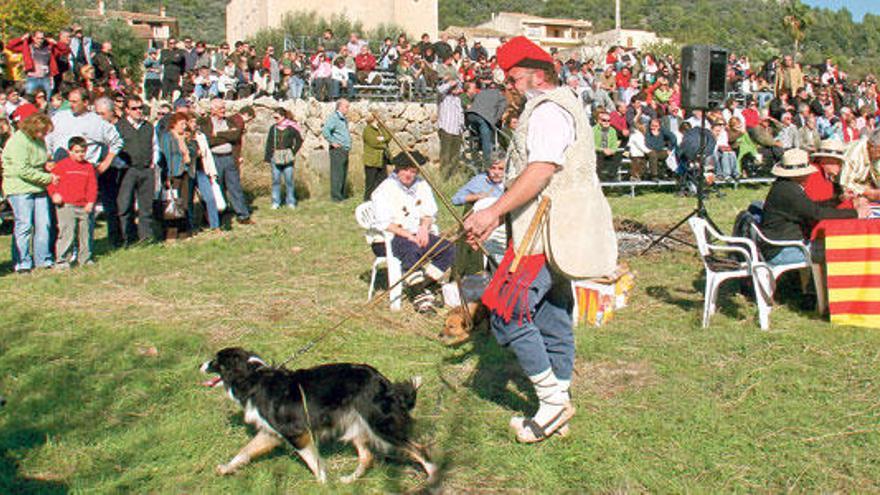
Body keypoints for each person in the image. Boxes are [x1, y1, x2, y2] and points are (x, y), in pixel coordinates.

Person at [463, 37, 616, 443]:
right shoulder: (558, 104)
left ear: (538, 74)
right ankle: (559, 402)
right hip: (554, 230)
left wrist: (493, 212)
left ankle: (551, 405)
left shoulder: (548, 110)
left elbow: (541, 172)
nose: (509, 86)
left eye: (513, 78)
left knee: (506, 312)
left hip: (544, 234)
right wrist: (493, 211)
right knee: (552, 315)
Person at [370, 151, 455, 312]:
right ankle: (420, 299)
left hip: (417, 234)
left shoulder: (421, 185)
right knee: (412, 249)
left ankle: (423, 285)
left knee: (448, 249)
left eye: (413, 171)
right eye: (406, 170)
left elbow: (428, 213)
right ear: (397, 169)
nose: (409, 174)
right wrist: (409, 235)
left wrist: (424, 228)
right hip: (389, 238)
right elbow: (385, 223)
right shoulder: (384, 190)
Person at [761, 149, 868, 266]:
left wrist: (839, 199)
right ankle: (829, 283)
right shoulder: (789, 191)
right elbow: (817, 214)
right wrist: (855, 213)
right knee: (840, 251)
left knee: (833, 246)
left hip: (779, 246)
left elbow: (812, 208)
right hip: (782, 251)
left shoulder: (784, 186)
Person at [46, 88, 124, 247]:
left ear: (86, 103)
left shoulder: (96, 122)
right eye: (69, 101)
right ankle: (61, 250)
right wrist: (48, 158)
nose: (71, 105)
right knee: (60, 214)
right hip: (61, 170)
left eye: (75, 102)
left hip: (84, 172)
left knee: (83, 215)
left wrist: (105, 163)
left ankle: (83, 250)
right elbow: (48, 139)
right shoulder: (59, 117)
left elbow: (117, 142)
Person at [199, 98, 253, 225]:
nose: (223, 110)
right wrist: (226, 136)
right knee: (217, 187)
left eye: (224, 108)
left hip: (229, 157)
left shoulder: (230, 121)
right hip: (214, 158)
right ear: (212, 110)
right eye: (220, 108)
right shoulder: (205, 122)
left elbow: (235, 135)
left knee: (235, 187)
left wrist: (217, 134)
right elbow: (208, 140)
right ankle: (216, 215)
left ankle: (243, 215)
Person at [48, 136, 97, 268]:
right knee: (67, 233)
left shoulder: (88, 167)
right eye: (76, 151)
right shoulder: (62, 165)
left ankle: (85, 258)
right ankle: (62, 260)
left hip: (84, 205)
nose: (80, 154)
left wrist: (91, 202)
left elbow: (92, 186)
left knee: (85, 233)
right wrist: (54, 194)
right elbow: (52, 183)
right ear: (69, 151)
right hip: (66, 205)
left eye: (82, 151)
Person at [115, 95, 157, 244]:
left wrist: (153, 163)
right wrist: (121, 165)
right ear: (127, 110)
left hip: (146, 169)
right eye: (134, 108)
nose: (138, 111)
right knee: (125, 205)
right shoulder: (119, 127)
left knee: (146, 206)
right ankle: (128, 237)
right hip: (128, 170)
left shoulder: (148, 126)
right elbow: (114, 149)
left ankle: (146, 237)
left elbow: (155, 146)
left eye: (141, 108)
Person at [159, 112, 196, 239]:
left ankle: (183, 232)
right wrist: (167, 176)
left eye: (185, 124)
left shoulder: (186, 137)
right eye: (181, 124)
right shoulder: (168, 137)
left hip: (186, 172)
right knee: (172, 204)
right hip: (174, 173)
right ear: (174, 124)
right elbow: (166, 155)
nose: (184, 127)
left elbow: (193, 151)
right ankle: (171, 233)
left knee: (184, 203)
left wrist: (187, 146)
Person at [264, 108, 303, 209]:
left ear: (283, 117)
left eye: (277, 117)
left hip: (287, 156)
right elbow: (269, 143)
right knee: (276, 180)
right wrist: (268, 157)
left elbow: (299, 140)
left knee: (289, 180)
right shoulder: (273, 128)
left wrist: (293, 152)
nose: (275, 119)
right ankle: (276, 202)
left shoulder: (291, 128)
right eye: (274, 117)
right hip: (275, 156)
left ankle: (290, 201)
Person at [322, 99, 352, 202]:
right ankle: (336, 197)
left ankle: (341, 195)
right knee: (337, 174)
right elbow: (326, 131)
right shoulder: (334, 118)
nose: (348, 109)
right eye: (346, 107)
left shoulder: (343, 119)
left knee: (343, 173)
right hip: (338, 150)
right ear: (340, 107)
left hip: (344, 149)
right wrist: (332, 142)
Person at [437, 77, 465, 179]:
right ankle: (443, 176)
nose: (457, 89)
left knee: (455, 156)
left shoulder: (458, 99)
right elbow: (440, 89)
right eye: (455, 87)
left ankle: (452, 176)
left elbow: (460, 114)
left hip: (457, 130)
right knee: (445, 154)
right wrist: (452, 83)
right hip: (446, 129)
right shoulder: (443, 97)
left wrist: (461, 127)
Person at [361, 113, 391, 201]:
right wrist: (383, 142)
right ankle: (367, 200)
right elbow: (373, 142)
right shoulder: (367, 130)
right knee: (370, 182)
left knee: (382, 180)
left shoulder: (381, 128)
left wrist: (381, 138)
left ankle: (381, 199)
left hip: (382, 159)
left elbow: (388, 136)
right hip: (372, 160)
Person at [594, 110, 621, 181]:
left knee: (619, 154)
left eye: (608, 120)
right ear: (599, 121)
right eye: (604, 120)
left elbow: (614, 144)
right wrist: (602, 150)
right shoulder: (593, 130)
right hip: (598, 152)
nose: (606, 122)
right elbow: (591, 145)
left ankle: (611, 176)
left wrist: (612, 150)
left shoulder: (613, 131)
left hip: (609, 152)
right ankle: (599, 177)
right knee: (599, 156)